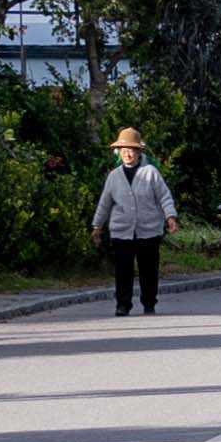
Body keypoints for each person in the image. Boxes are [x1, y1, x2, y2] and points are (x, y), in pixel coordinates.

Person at [96, 128, 178, 313]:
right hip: (121, 230)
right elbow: (105, 203)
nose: (127, 153)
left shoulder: (151, 173)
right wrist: (97, 225)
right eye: (123, 149)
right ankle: (123, 304)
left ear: (139, 151)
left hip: (148, 229)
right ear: (119, 152)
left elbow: (164, 196)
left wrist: (170, 217)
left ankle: (149, 303)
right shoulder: (114, 176)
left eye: (131, 149)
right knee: (123, 270)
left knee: (148, 270)